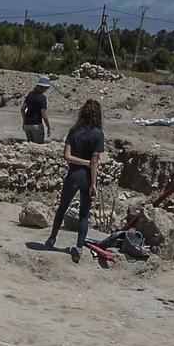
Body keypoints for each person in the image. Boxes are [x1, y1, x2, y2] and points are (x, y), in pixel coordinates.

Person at [44, 98, 106, 263]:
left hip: (73, 175)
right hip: (86, 176)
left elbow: (67, 157)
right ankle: (78, 248)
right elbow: (94, 161)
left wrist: (81, 162)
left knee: (62, 207)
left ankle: (52, 238)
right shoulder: (98, 134)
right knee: (84, 214)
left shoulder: (73, 132)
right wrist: (93, 183)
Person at [22, 75, 52, 142]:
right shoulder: (42, 98)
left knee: (30, 145)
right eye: (46, 88)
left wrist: (24, 122)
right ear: (43, 87)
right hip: (36, 125)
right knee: (38, 146)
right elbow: (44, 115)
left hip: (27, 124)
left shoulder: (30, 94)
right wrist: (49, 127)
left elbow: (22, 109)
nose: (46, 90)